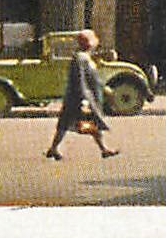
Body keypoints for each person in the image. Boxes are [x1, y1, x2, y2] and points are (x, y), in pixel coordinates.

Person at [44, 29, 118, 161]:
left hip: (81, 97)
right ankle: (54, 148)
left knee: (75, 123)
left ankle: (54, 148)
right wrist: (84, 99)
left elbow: (92, 78)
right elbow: (80, 79)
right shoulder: (80, 58)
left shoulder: (85, 57)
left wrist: (102, 88)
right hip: (79, 98)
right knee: (75, 122)